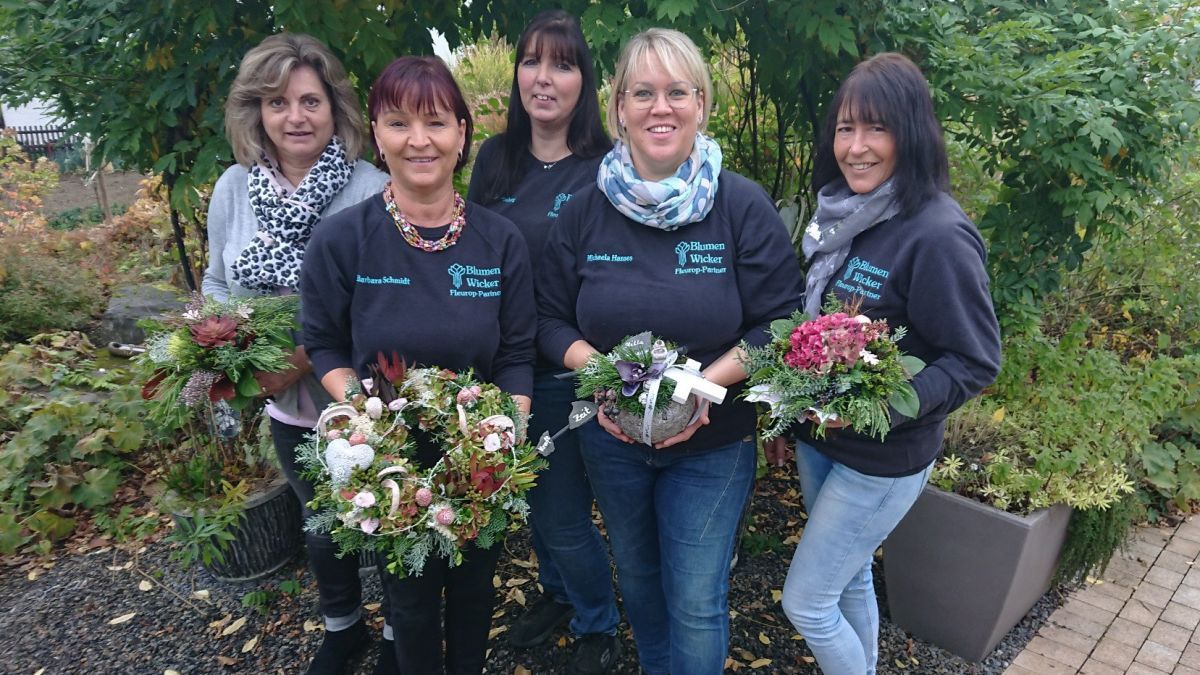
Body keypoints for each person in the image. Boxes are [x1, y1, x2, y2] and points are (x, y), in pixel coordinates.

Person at [536, 28, 804, 675]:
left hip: (712, 446)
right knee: (640, 579)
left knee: (694, 598)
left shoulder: (739, 206)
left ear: (701, 104)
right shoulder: (583, 212)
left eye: (677, 91)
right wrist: (603, 373)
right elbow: (546, 318)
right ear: (619, 108)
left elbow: (786, 319)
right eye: (644, 92)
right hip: (611, 440)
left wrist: (701, 384)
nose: (662, 107)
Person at [300, 56, 536, 675]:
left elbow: (514, 353)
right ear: (377, 134)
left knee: (474, 593)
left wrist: (503, 439)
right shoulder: (342, 239)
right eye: (398, 122)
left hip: (477, 455)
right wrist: (363, 416)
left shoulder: (501, 240)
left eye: (435, 122)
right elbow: (322, 343)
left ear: (462, 131)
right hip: (387, 459)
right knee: (406, 603)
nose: (419, 140)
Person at [778, 52, 1001, 675]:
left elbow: (975, 359)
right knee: (846, 583)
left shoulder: (936, 234)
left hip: (881, 461)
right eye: (846, 128)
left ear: (911, 132)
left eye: (876, 128)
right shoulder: (846, 217)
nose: (856, 147)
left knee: (808, 602)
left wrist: (883, 404)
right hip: (824, 443)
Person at [200, 33, 389, 675]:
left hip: (365, 397)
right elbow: (217, 284)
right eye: (278, 102)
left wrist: (304, 357)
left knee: (388, 513)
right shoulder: (233, 188)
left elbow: (384, 304)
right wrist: (221, 352)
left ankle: (398, 636)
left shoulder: (370, 190)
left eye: (310, 100)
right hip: (285, 405)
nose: (296, 117)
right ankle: (344, 629)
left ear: (334, 108)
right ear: (257, 112)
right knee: (321, 526)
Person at [466, 10, 621, 673]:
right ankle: (559, 593)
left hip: (564, 370)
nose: (544, 77)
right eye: (531, 61)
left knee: (558, 510)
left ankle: (598, 621)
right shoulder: (494, 159)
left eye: (562, 63)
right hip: (501, 367)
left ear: (583, 80)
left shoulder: (603, 168)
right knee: (528, 502)